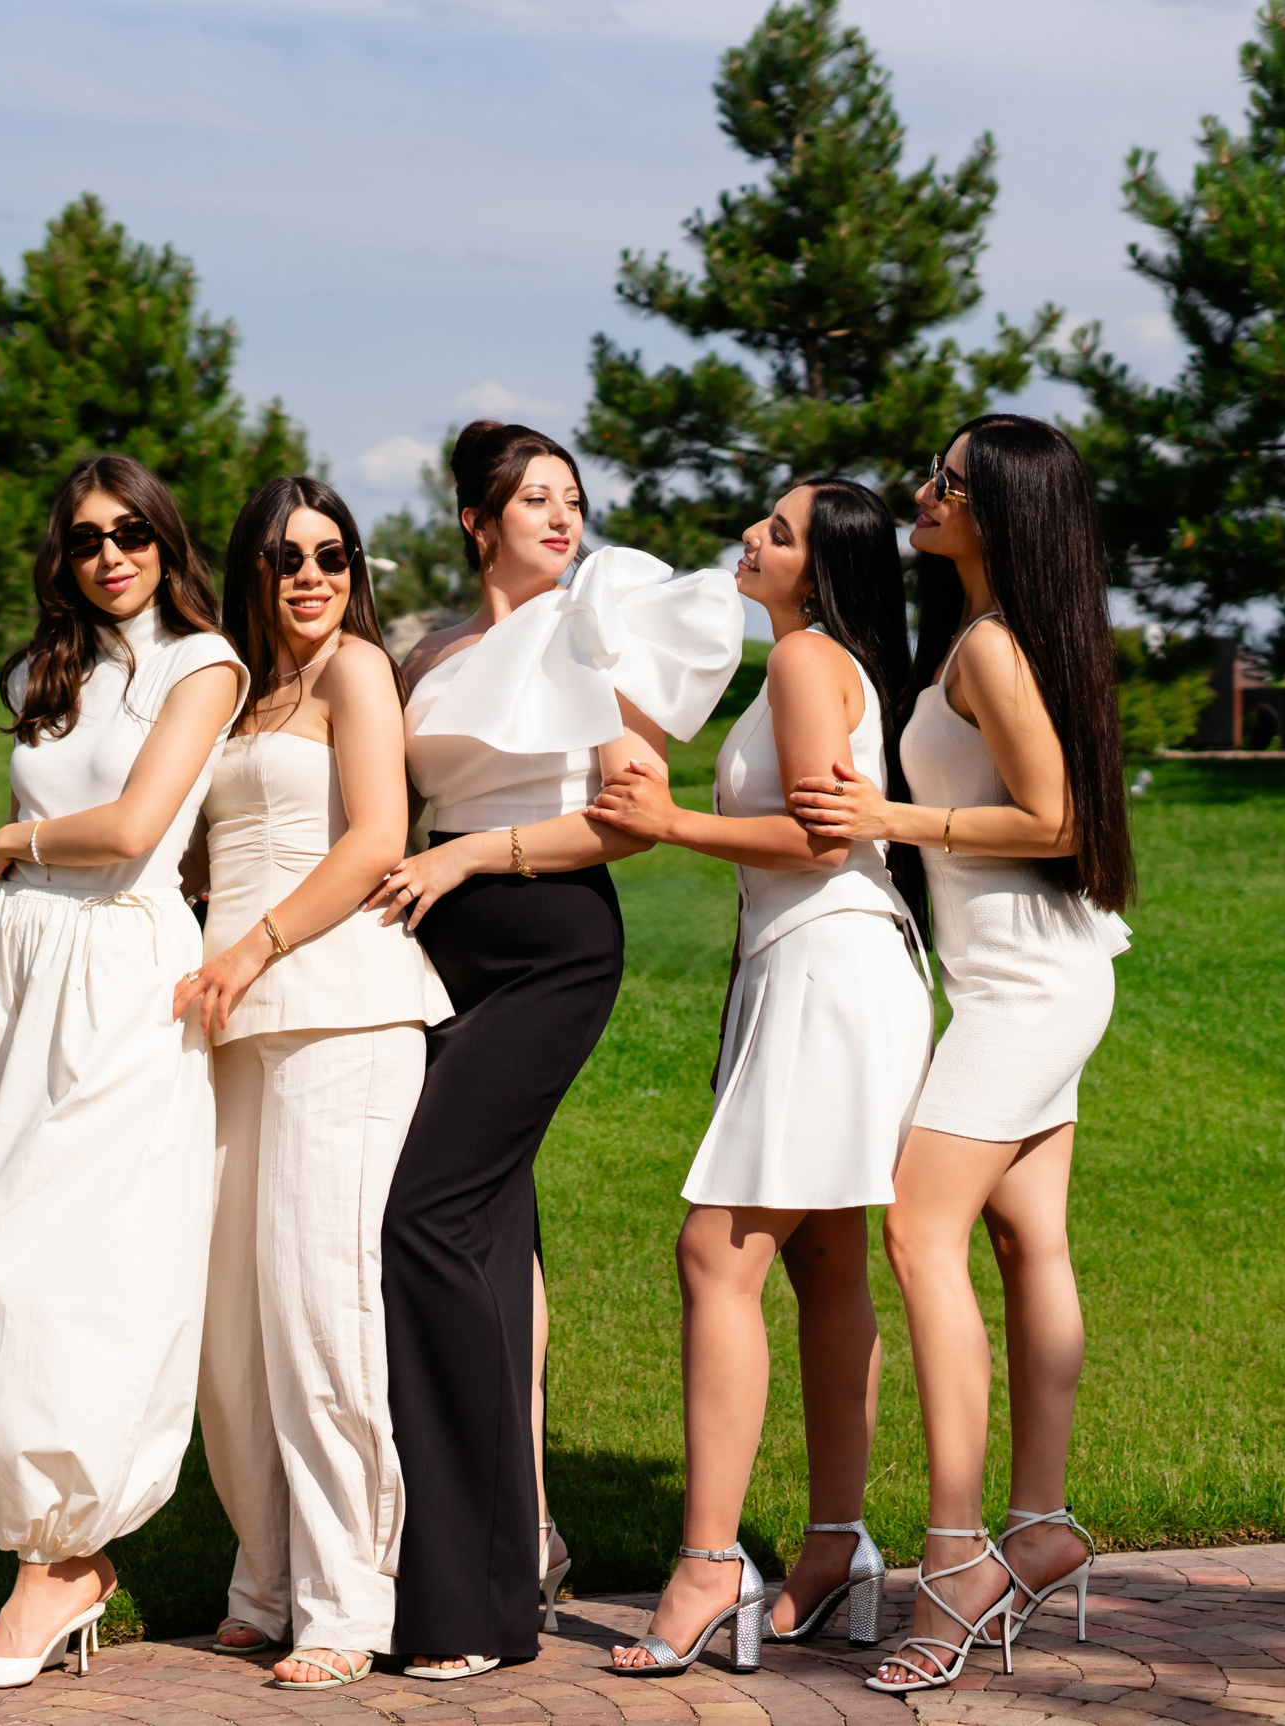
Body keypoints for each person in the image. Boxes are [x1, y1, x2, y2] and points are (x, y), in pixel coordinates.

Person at [368, 421, 742, 1678]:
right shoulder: (428, 650)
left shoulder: (595, 626)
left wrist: (475, 854)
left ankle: (465, 1591)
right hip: (434, 951)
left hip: (549, 947)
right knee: (490, 1236)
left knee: (423, 1220)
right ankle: (516, 1546)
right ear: (476, 523)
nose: (562, 517)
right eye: (534, 499)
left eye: (571, 498)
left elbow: (632, 819)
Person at [788, 415, 1133, 1696]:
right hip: (1030, 972)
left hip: (1027, 986)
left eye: (949, 482)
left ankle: (956, 1556)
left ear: (1002, 511)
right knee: (1026, 1238)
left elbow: (1056, 816)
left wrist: (895, 814)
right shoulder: (985, 635)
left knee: (915, 1230)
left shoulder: (990, 646)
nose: (923, 493)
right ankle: (1038, 1525)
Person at [587, 479, 932, 1677]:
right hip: (822, 968)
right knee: (825, 1259)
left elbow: (819, 838)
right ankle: (836, 1546)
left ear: (819, 569)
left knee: (714, 1253)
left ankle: (707, 1563)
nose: (749, 536)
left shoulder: (799, 661)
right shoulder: (821, 662)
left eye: (777, 533)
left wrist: (673, 822)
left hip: (830, 967)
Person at [0, 455, 247, 1693]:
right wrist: (18, 884)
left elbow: (131, 829)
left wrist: (10, 838)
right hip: (17, 968)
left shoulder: (201, 664)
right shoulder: (41, 675)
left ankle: (63, 1556)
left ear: (166, 542)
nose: (110, 555)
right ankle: (55, 1560)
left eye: (131, 533)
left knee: (55, 1257)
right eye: (84, 539)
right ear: (60, 557)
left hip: (118, 970)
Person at [180, 477, 452, 1692]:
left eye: (332, 555)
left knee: (317, 1308)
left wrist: (251, 947)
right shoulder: (237, 690)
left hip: (341, 1009)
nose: (311, 577)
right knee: (230, 1329)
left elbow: (376, 837)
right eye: (287, 557)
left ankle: (347, 1599)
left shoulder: (355, 669)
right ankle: (266, 1574)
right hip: (229, 1027)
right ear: (251, 567)